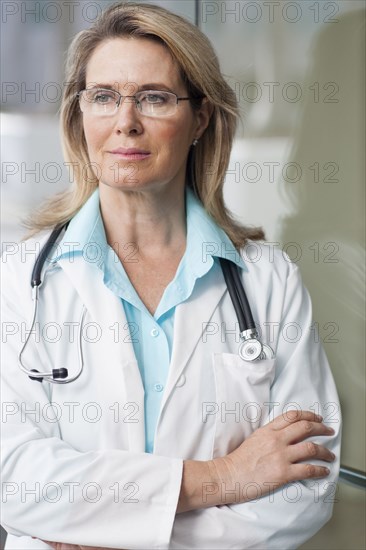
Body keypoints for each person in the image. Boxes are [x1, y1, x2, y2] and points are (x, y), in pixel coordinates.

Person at [1, 3, 341, 549]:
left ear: (201, 118)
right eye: (104, 96)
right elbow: (13, 479)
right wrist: (225, 477)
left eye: (155, 97)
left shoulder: (268, 282)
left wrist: (110, 529)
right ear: (79, 114)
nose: (125, 121)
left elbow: (306, 483)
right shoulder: (20, 281)